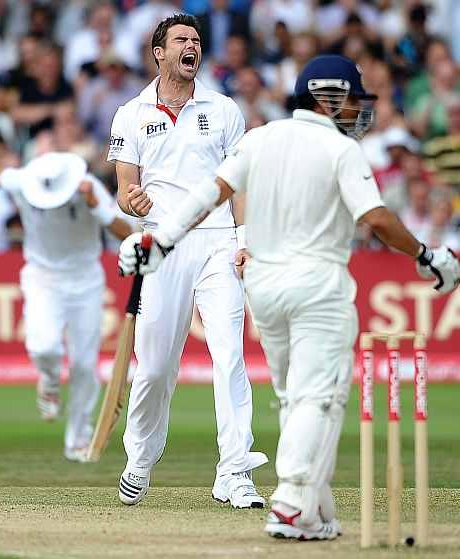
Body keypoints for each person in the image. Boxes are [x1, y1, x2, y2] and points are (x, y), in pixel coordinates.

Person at [118, 54, 460, 540]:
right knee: (318, 396)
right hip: (317, 287)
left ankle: (315, 509)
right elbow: (378, 219)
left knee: (293, 397)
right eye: (352, 99)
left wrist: (160, 239)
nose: (357, 110)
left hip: (264, 287)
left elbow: (208, 194)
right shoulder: (341, 151)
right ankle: (290, 503)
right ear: (330, 95)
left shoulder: (262, 138)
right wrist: (427, 255)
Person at [107, 13, 267, 508]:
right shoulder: (131, 114)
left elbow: (238, 182)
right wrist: (131, 202)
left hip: (219, 240)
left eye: (196, 40)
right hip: (162, 244)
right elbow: (123, 191)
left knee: (230, 355)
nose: (191, 46)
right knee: (154, 367)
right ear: (159, 52)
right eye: (181, 39)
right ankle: (140, 456)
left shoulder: (222, 110)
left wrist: (244, 237)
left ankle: (234, 471)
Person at [0, 151, 132, 462]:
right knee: (44, 347)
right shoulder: (23, 180)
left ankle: (78, 439)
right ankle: (50, 382)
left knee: (83, 364)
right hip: (42, 277)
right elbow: (0, 175)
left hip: (85, 279)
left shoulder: (88, 187)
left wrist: (97, 209)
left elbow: (125, 233)